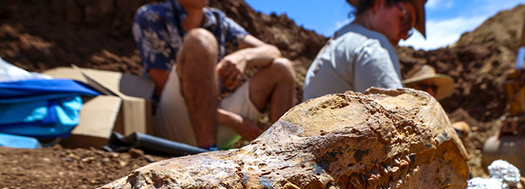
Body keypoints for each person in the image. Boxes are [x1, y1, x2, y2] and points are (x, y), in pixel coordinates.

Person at [133, 0, 296, 150]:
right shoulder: (152, 15)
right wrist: (235, 121)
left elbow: (273, 51)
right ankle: (207, 151)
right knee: (200, 40)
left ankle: (285, 152)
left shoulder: (218, 21)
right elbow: (162, 88)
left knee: (282, 68)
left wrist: (242, 57)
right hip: (171, 124)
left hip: (212, 122)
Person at [303, 0, 426, 101]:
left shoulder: (340, 39)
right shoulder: (373, 45)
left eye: (409, 30)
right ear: (379, 3)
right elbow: (396, 114)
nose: (405, 36)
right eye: (405, 20)